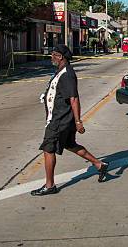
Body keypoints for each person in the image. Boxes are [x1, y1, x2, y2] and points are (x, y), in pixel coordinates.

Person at [31, 44, 108, 196]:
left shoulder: (67, 74)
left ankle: (50, 185)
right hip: (60, 117)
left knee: (48, 148)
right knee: (69, 144)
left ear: (60, 57)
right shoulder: (61, 71)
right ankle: (99, 165)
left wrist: (78, 121)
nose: (51, 57)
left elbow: (74, 98)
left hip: (60, 119)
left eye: (53, 54)